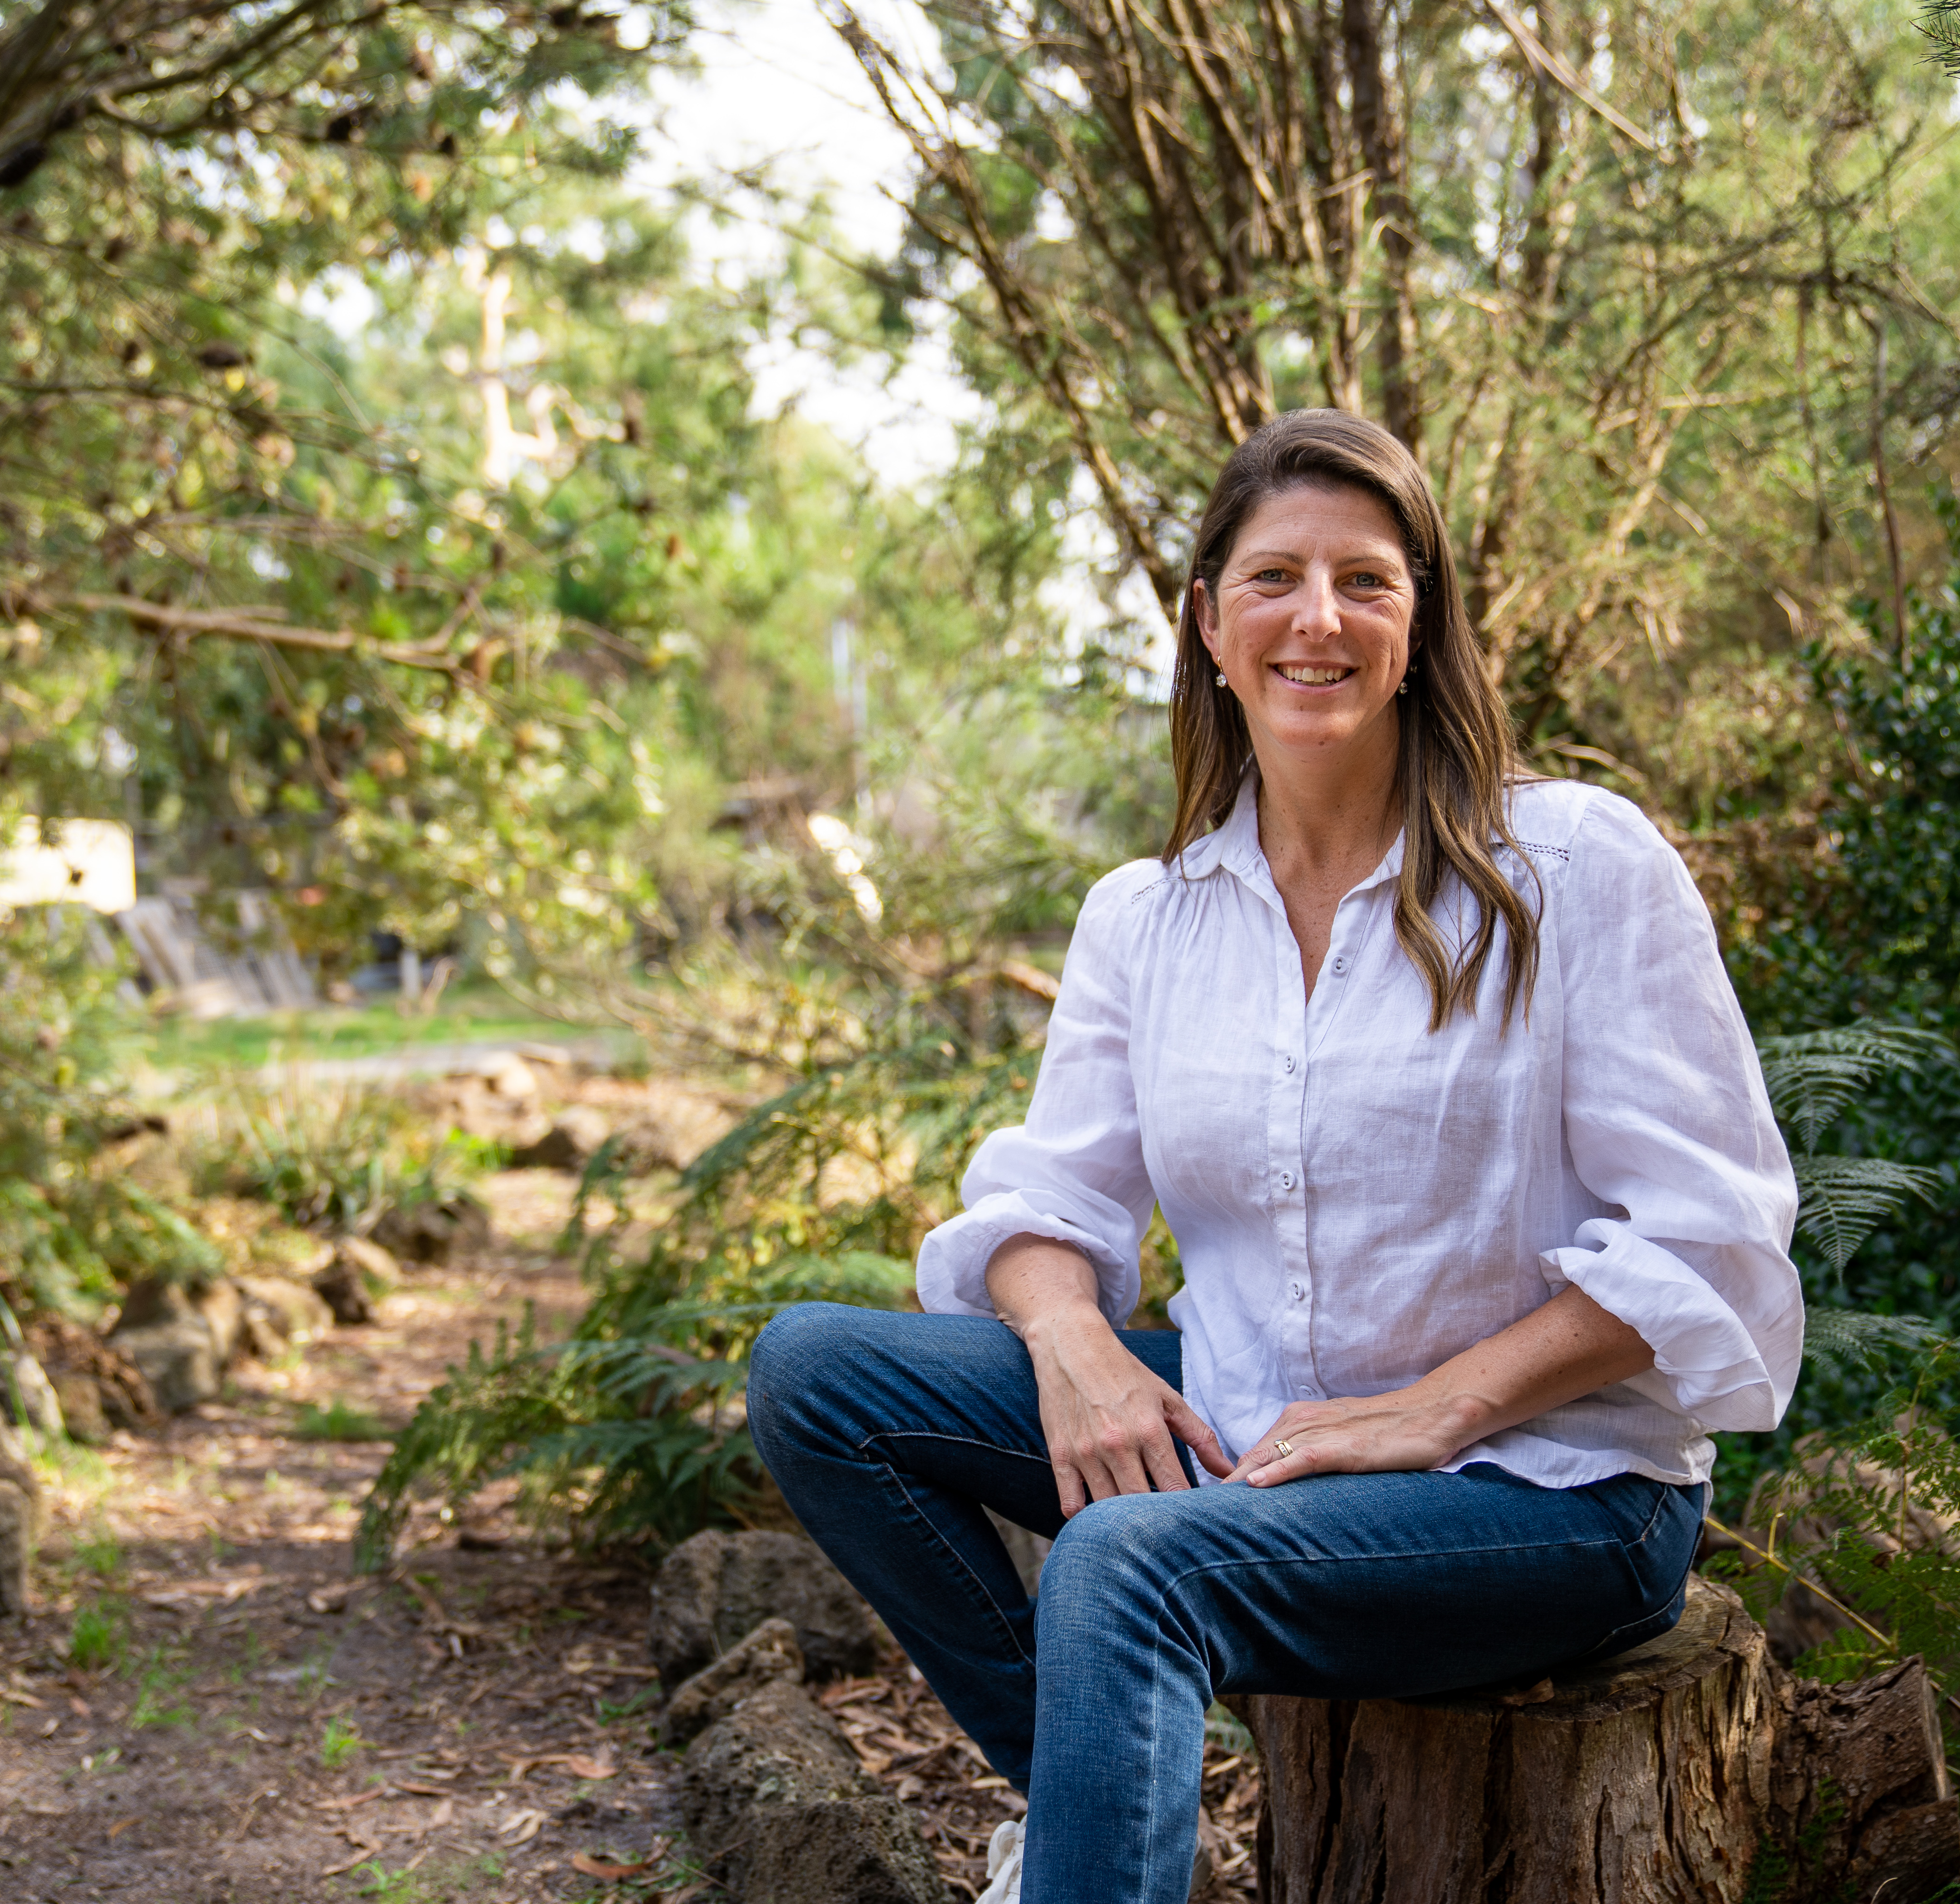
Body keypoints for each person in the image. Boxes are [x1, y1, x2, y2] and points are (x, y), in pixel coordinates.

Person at [745, 409, 1801, 1904]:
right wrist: (1073, 1345)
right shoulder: (1149, 916)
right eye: (1275, 580)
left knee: (1130, 1566)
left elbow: (1713, 1234)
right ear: (1210, 624)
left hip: (1550, 1489)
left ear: (1421, 624)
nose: (1319, 619)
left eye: (1365, 582)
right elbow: (1049, 1202)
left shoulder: (1575, 869)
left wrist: (1436, 1410)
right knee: (817, 1371)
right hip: (1258, 1433)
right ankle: (1089, 1810)